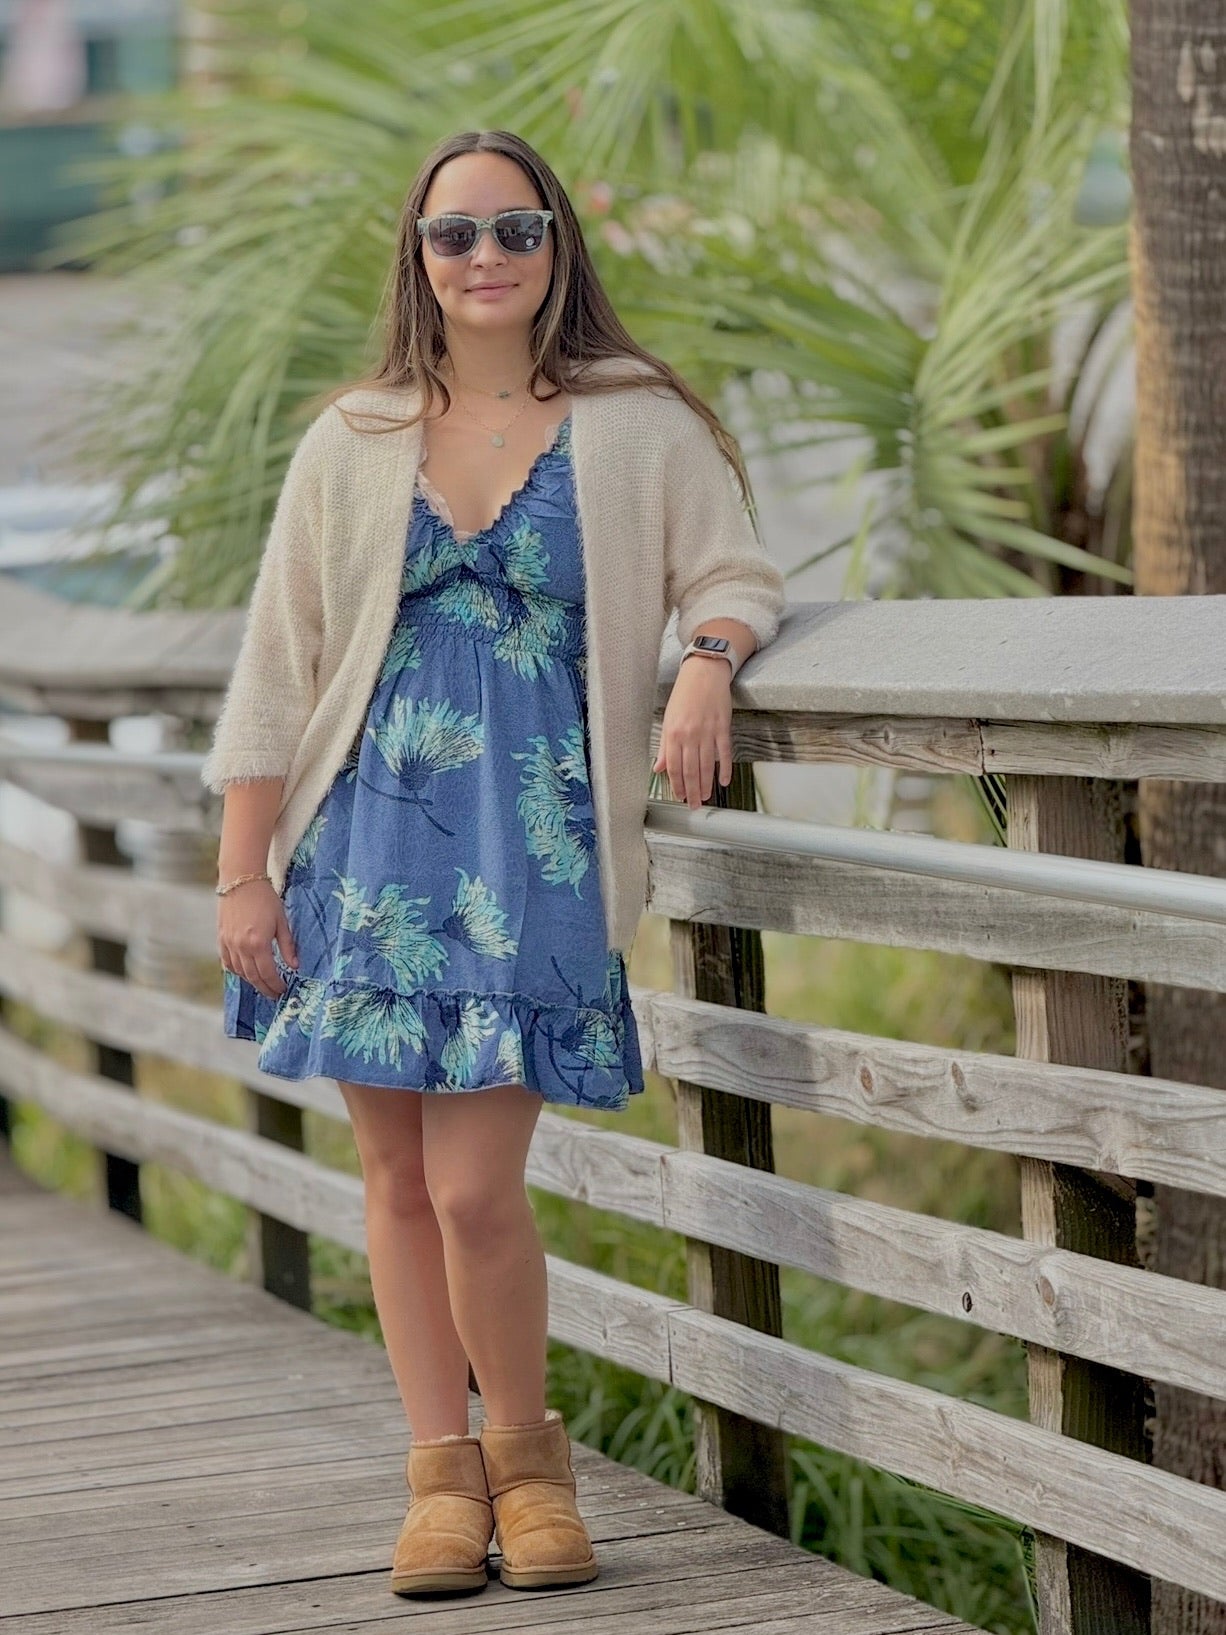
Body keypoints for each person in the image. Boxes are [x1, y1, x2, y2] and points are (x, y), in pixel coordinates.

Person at [200, 128, 786, 1599]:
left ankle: (529, 1466)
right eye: (455, 234)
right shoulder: (352, 437)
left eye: (515, 229)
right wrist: (242, 870)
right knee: (395, 1180)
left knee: (474, 1189)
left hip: (533, 849)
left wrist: (707, 662)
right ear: (418, 254)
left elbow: (732, 571)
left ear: (556, 245)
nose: (485, 258)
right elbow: (279, 665)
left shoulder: (635, 421)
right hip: (360, 847)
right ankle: (440, 1484)